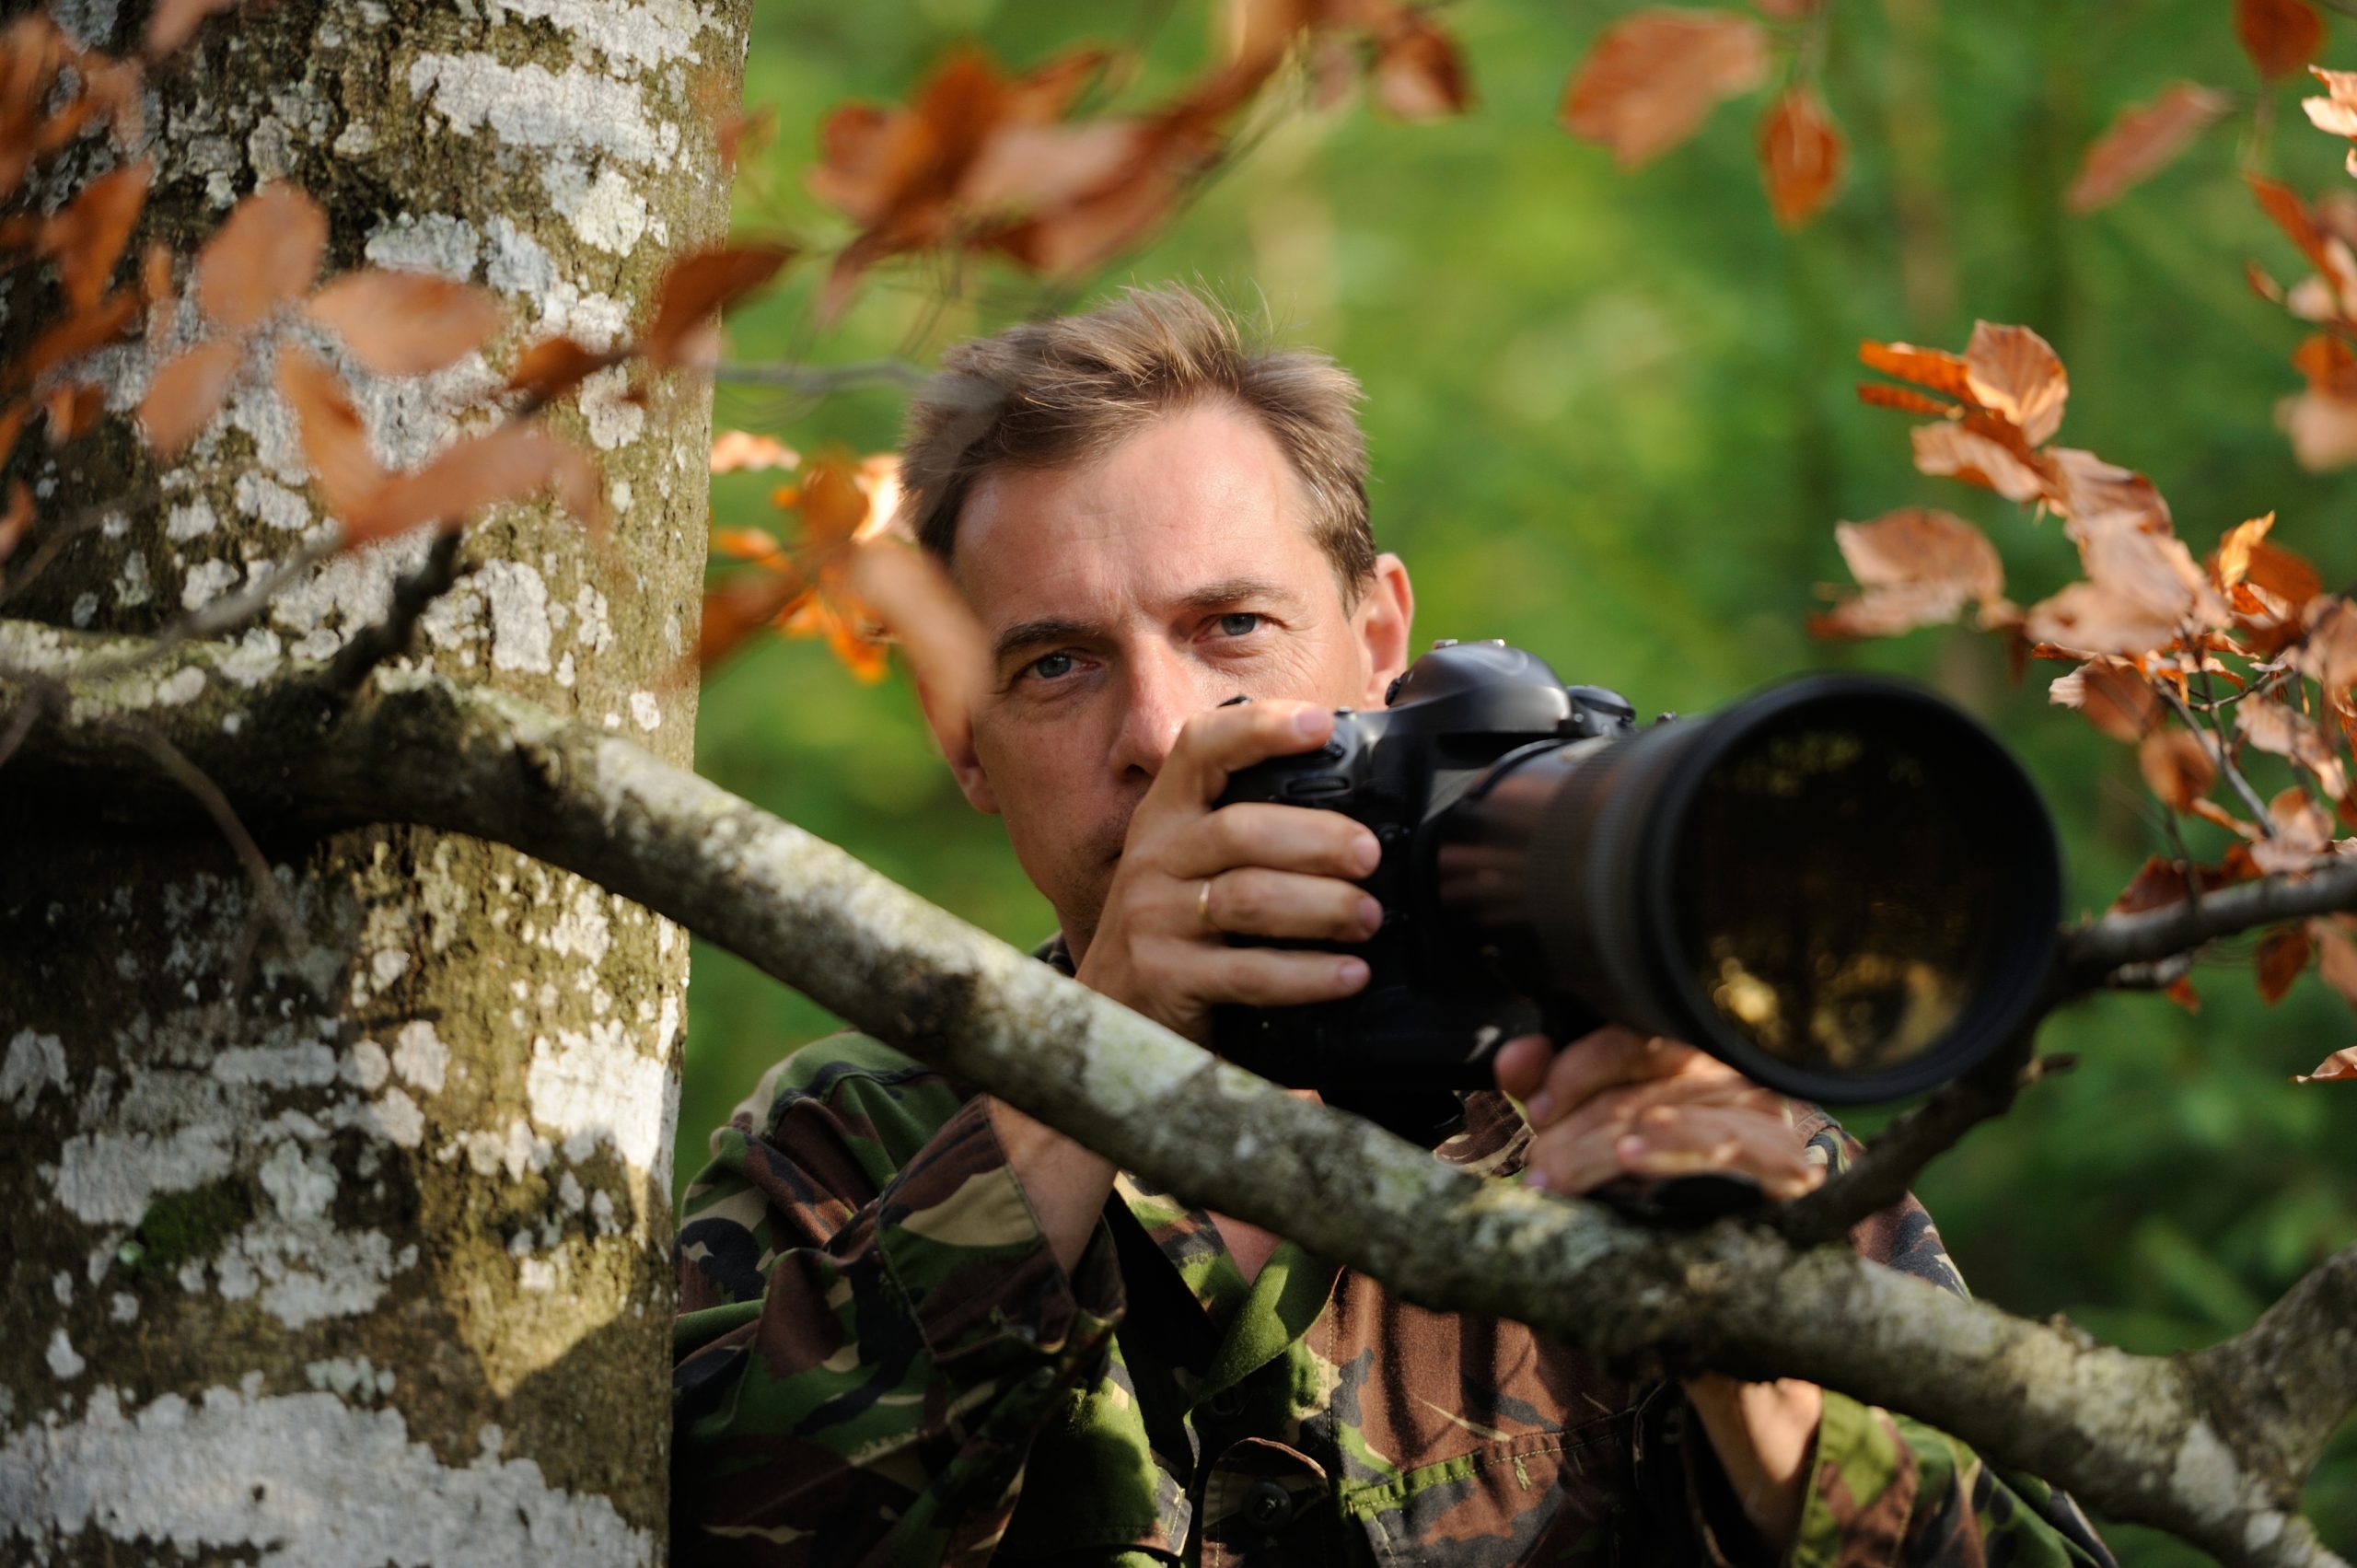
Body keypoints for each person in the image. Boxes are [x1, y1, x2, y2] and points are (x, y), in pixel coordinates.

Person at [670, 285, 2113, 1567]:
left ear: (1379, 639)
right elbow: (695, 1521)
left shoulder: (1641, 1103)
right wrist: (1085, 1075)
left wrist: (1746, 1342)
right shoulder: (852, 1148)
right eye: (1057, 664)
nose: (1167, 732)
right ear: (960, 732)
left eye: (1233, 626)